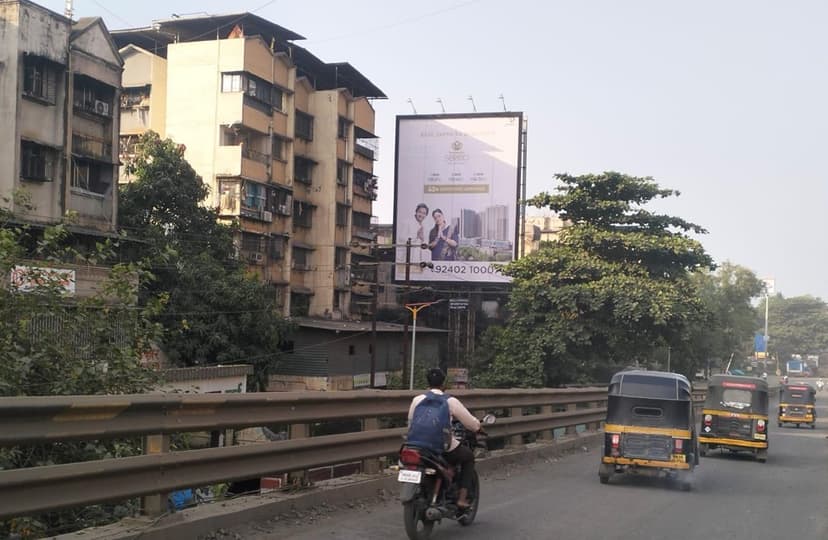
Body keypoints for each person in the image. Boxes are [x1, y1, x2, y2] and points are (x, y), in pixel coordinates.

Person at [407, 367, 481, 509]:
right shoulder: (450, 401)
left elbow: (411, 421)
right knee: (468, 457)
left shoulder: (417, 399)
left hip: (416, 446)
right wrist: (479, 427)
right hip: (440, 448)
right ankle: (462, 499)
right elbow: (470, 423)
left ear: (427, 383)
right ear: (443, 384)